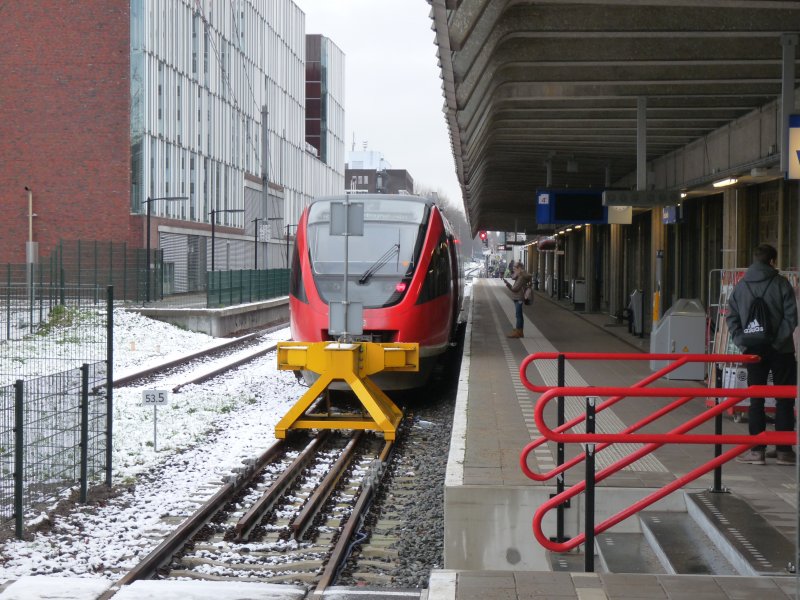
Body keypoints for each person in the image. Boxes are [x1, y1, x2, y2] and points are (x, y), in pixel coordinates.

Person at [726, 243, 798, 465]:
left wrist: (742, 342)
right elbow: (791, 317)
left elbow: (731, 316)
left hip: (753, 350)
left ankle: (757, 451)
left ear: (755, 260)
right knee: (784, 399)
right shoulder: (781, 284)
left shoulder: (741, 286)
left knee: (755, 400)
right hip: (782, 350)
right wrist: (777, 342)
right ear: (772, 261)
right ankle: (784, 451)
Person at [503, 262, 532, 338]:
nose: (513, 268)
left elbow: (514, 288)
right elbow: (514, 278)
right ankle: (519, 330)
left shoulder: (521, 277)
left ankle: (518, 332)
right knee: (519, 314)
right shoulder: (520, 276)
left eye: (515, 267)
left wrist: (507, 284)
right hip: (518, 297)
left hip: (519, 297)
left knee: (518, 315)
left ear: (520, 268)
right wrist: (514, 275)